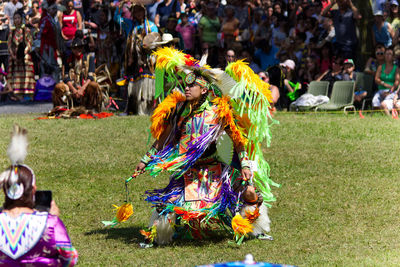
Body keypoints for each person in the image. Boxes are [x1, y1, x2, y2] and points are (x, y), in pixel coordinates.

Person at [131, 47, 276, 245]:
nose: (187, 89)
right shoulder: (180, 111)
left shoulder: (219, 112)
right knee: (168, 203)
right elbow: (164, 139)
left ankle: (256, 229)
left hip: (217, 171)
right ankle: (159, 237)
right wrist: (145, 160)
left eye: (192, 86)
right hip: (189, 172)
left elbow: (238, 141)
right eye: (185, 86)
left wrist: (245, 165)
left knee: (250, 193)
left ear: (205, 89)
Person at [0, 125, 78, 265]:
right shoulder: (50, 223)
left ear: (5, 190)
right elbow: (70, 258)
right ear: (33, 190)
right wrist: (53, 218)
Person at [52, 37, 103, 111]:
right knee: (58, 86)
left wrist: (82, 88)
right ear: (72, 49)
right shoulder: (68, 59)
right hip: (72, 85)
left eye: (79, 48)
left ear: (82, 48)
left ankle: (91, 107)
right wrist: (73, 89)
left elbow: (91, 76)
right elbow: (66, 76)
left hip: (85, 85)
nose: (77, 50)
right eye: (75, 48)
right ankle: (62, 108)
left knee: (94, 85)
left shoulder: (89, 58)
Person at [7, 10, 36, 101]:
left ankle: (28, 94)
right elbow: (9, 45)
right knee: (16, 75)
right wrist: (13, 55)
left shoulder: (26, 30)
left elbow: (29, 43)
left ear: (22, 19)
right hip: (15, 58)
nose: (17, 20)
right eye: (15, 18)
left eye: (18, 18)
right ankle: (18, 95)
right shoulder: (12, 32)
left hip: (25, 57)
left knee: (27, 73)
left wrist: (25, 52)